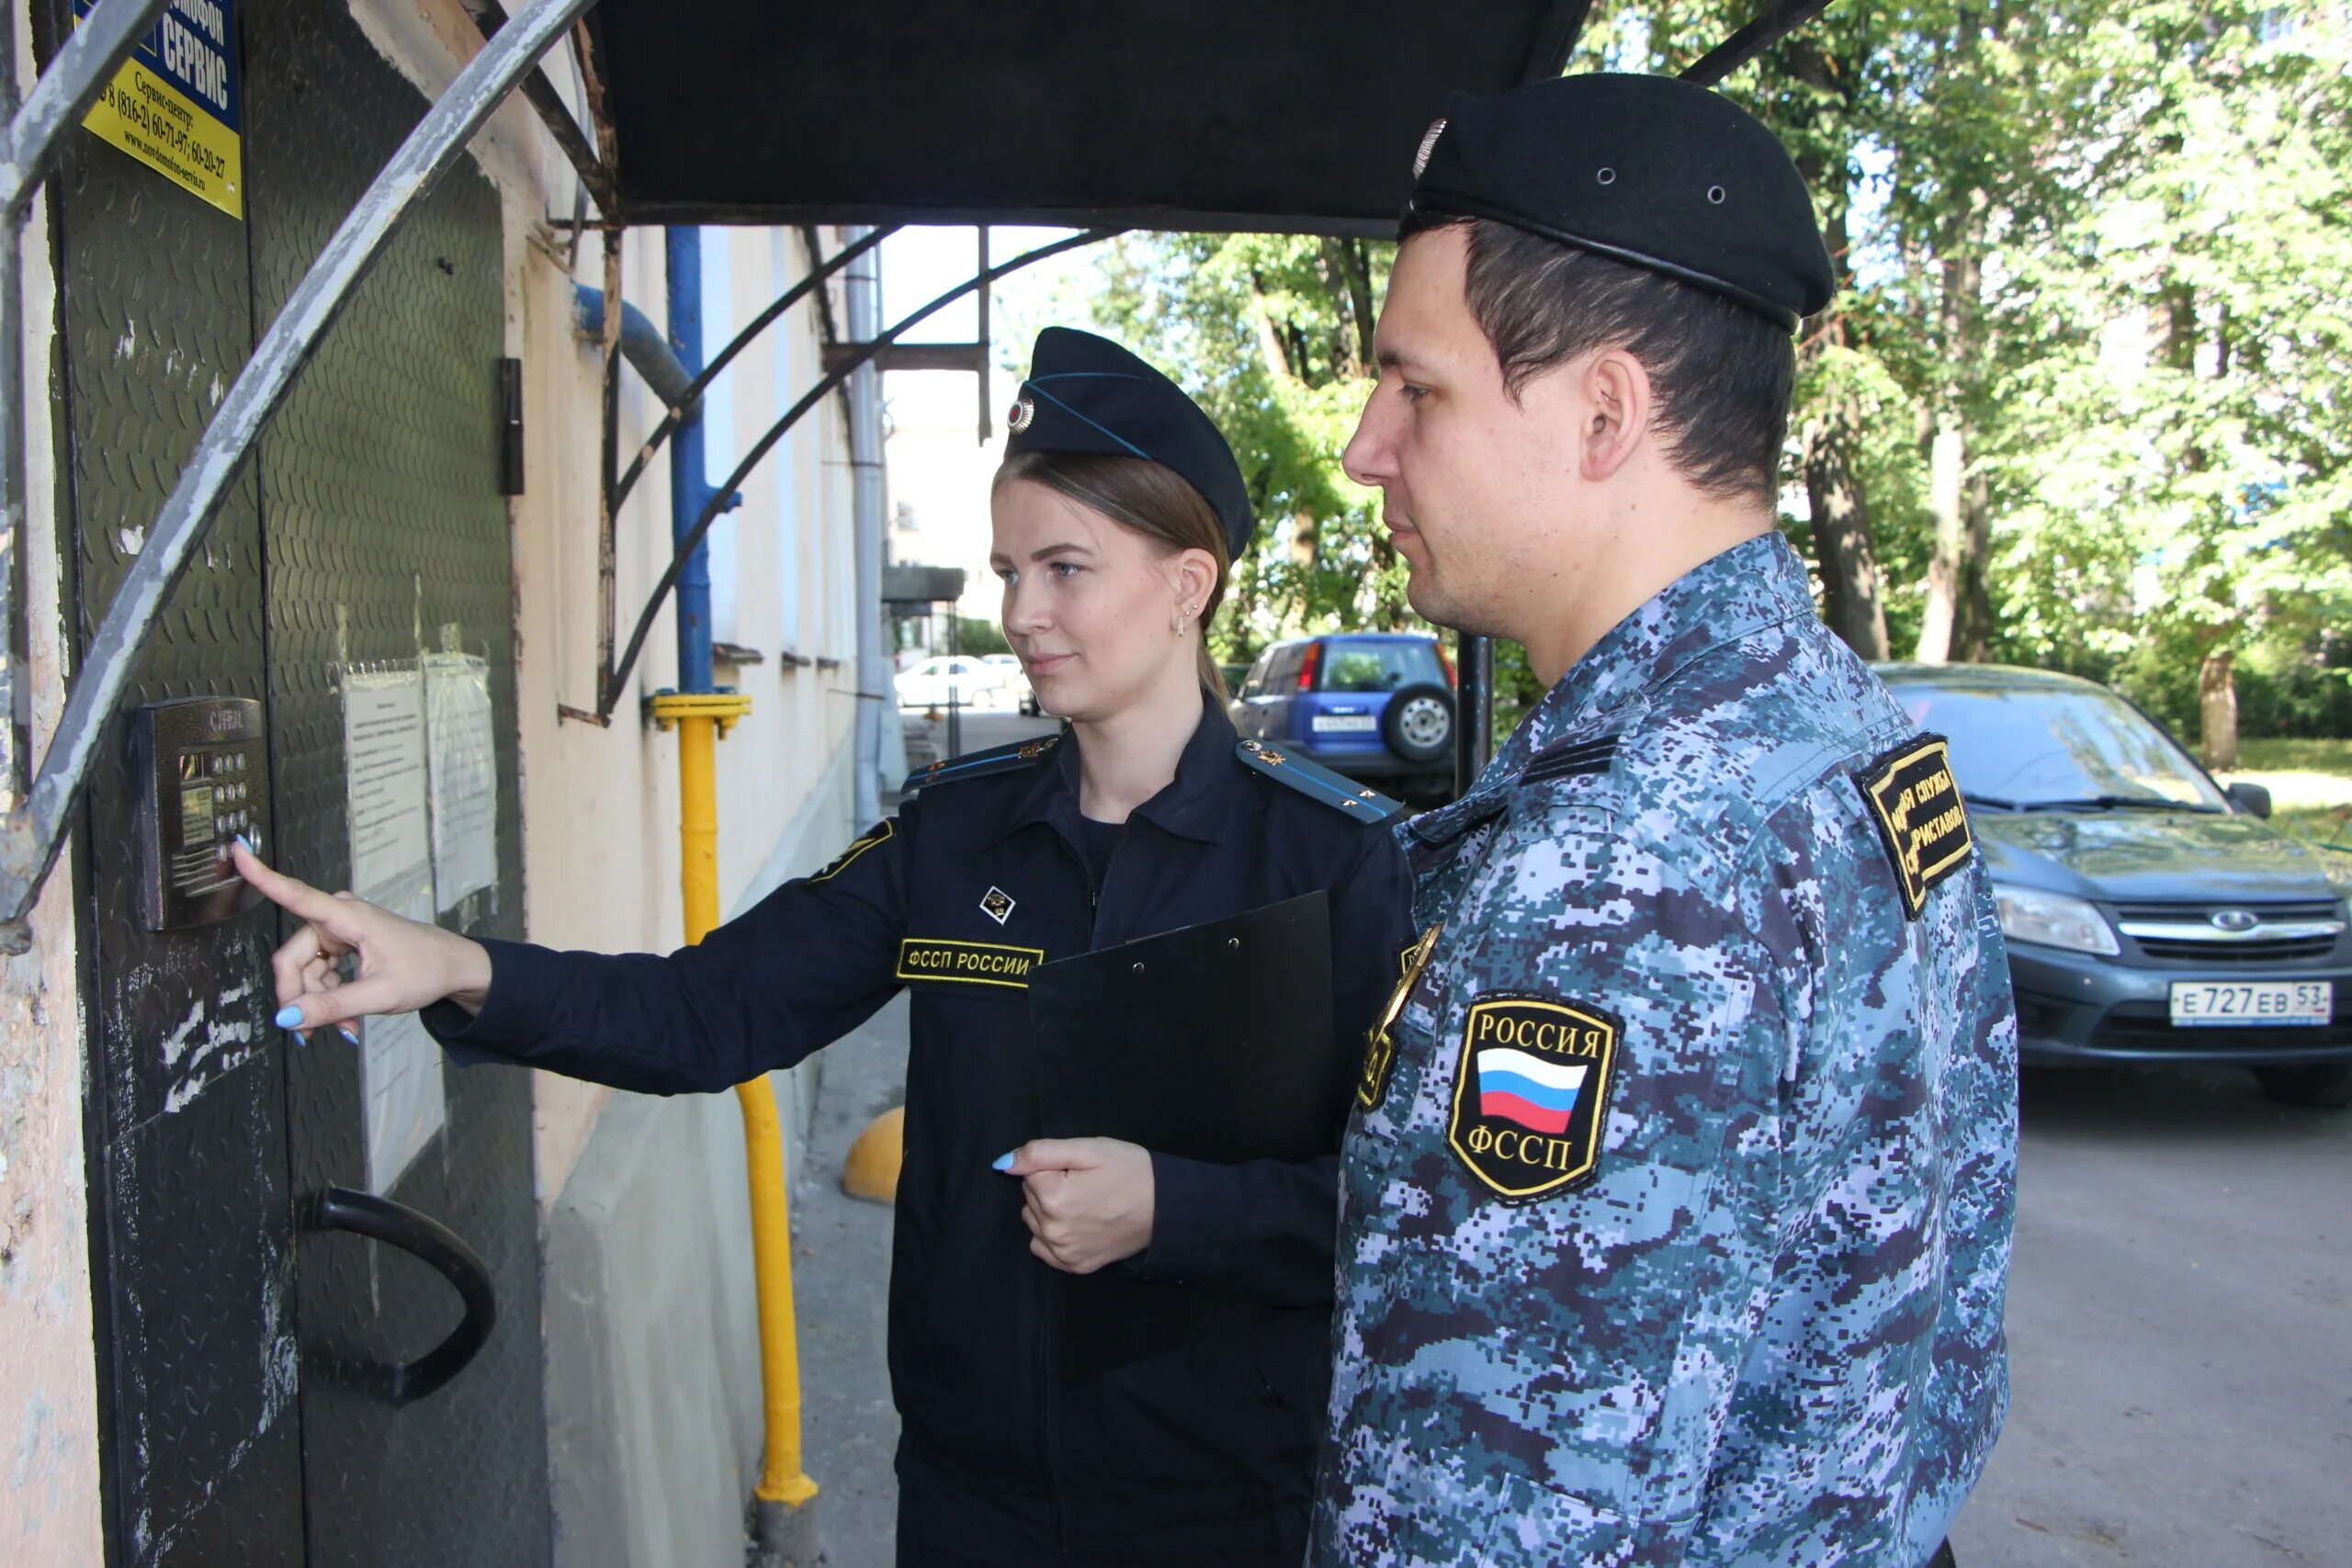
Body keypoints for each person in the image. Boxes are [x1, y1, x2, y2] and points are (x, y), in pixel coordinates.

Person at [236, 327, 1415, 1568]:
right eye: (1009, 569)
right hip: (973, 1490)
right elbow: (711, 1010)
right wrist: (458, 965)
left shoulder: (1333, 866)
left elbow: (1407, 1209)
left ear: (1189, 584)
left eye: (1067, 569)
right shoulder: (958, 837)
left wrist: (1178, 1209)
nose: (1021, 614)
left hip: (1222, 1501)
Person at [1314, 73, 2018, 1568]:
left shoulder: (1626, 866)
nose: (1369, 447)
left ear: (1604, 413)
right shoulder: (1849, 730)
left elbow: (1495, 1514)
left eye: (1417, 386)